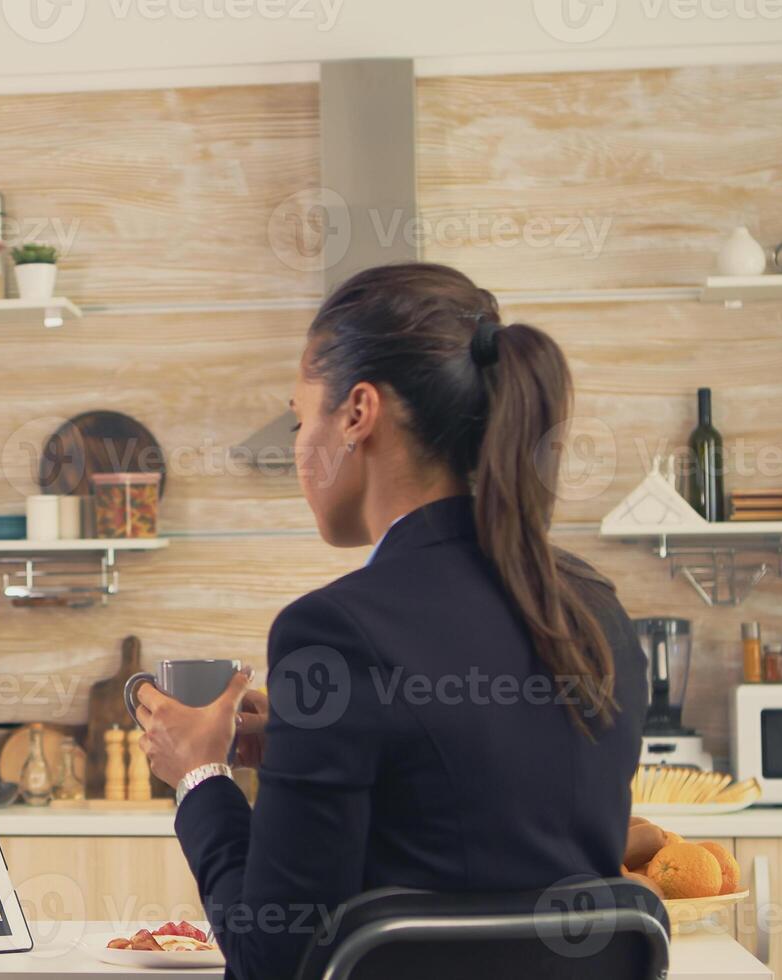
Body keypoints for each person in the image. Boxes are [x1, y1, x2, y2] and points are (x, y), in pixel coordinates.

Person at [132, 263, 646, 979]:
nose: (297, 445)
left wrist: (199, 776)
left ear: (357, 414)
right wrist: (294, 746)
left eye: (301, 415)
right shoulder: (594, 611)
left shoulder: (332, 631)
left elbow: (273, 960)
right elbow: (472, 817)